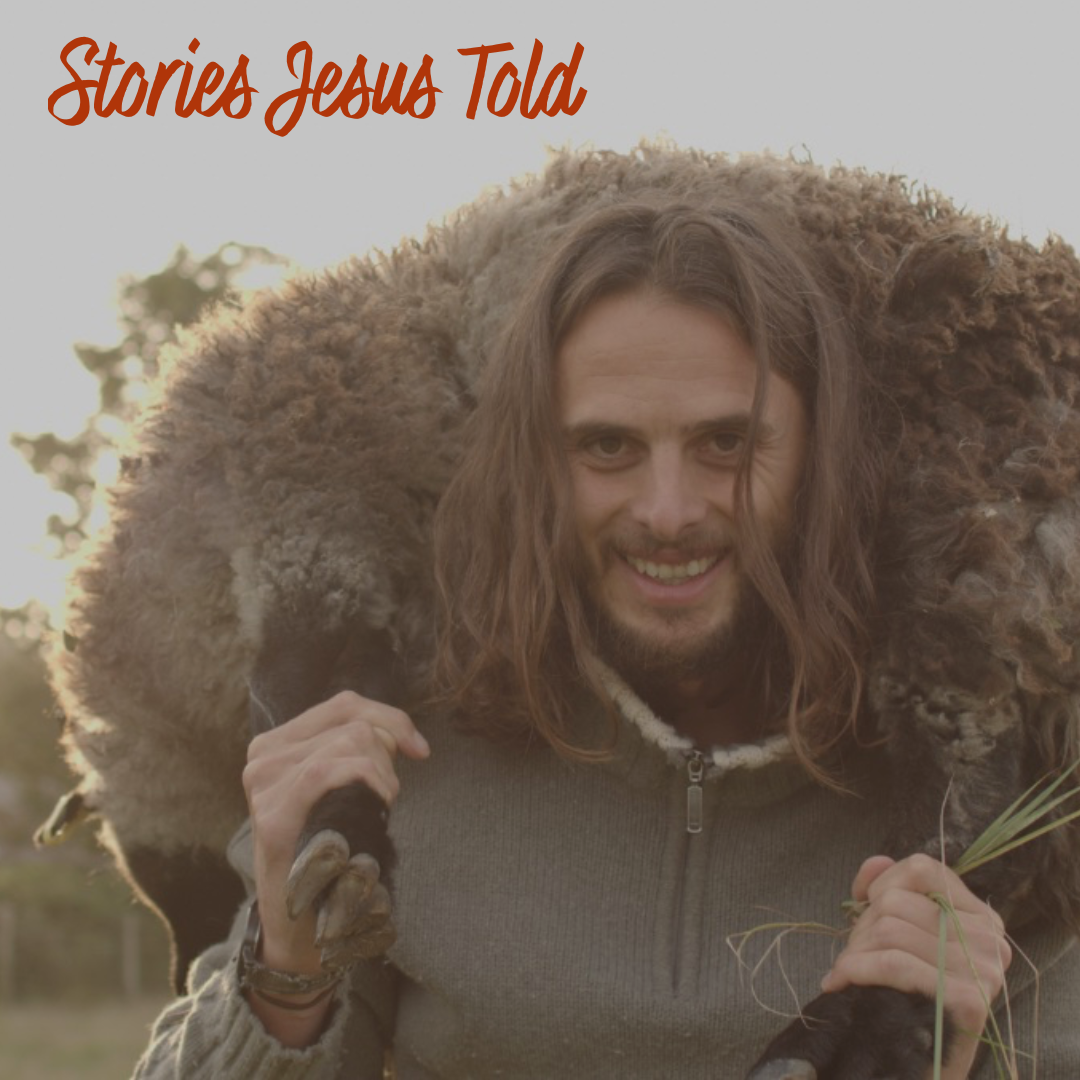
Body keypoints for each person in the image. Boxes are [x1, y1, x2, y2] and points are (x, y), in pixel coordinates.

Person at [133, 200, 1079, 1078]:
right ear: (536, 465)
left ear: (823, 457)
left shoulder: (999, 813)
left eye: (727, 443)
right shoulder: (399, 754)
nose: (668, 512)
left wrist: (944, 1059)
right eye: (608, 448)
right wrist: (286, 969)